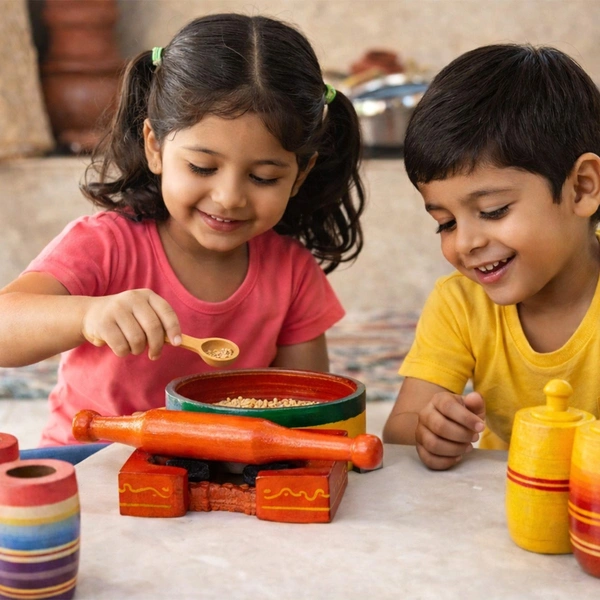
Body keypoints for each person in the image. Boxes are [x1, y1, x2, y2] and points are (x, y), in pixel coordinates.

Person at [0, 13, 365, 455]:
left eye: (264, 177)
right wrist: (86, 315)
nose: (229, 198)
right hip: (90, 460)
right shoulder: (104, 245)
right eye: (202, 167)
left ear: (299, 175)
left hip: (218, 467)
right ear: (155, 146)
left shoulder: (292, 275)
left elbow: (305, 411)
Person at [382, 43, 600, 470]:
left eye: (493, 211)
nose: (465, 243)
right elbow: (400, 427)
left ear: (582, 188)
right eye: (446, 223)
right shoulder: (460, 303)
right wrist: (432, 430)